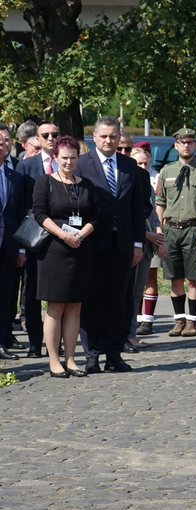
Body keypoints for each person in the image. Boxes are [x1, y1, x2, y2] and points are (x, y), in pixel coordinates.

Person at [75, 116, 146, 374]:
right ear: (94, 137)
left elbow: (137, 208)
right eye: (103, 136)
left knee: (118, 301)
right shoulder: (82, 164)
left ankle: (114, 354)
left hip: (122, 244)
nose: (108, 141)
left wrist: (138, 243)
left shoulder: (129, 165)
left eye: (113, 136)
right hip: (92, 244)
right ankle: (92, 354)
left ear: (119, 138)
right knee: (92, 300)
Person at [31, 136, 98, 377]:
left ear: (78, 158)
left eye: (73, 157)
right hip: (54, 251)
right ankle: (54, 361)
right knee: (56, 306)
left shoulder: (86, 185)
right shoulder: (45, 182)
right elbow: (39, 213)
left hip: (81, 250)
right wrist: (63, 235)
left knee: (75, 308)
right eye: (64, 158)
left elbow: (95, 216)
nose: (69, 162)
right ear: (56, 158)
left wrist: (81, 234)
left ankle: (71, 360)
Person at [155, 128, 196, 337]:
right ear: (176, 145)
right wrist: (159, 228)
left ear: (195, 145)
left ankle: (192, 322)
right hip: (171, 228)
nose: (186, 146)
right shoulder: (166, 171)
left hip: (194, 229)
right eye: (182, 142)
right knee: (174, 278)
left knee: (193, 278)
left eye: (190, 142)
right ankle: (179, 319)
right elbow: (160, 202)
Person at [16, 120, 61, 359]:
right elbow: (21, 205)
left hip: (63, 238)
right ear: (37, 139)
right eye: (46, 135)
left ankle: (59, 341)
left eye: (55, 134)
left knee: (60, 293)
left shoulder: (68, 162)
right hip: (34, 239)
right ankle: (35, 342)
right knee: (32, 293)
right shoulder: (26, 166)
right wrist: (22, 247)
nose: (51, 138)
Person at [127, 147, 166, 349]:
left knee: (136, 293)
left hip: (147, 245)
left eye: (145, 163)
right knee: (126, 292)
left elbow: (153, 215)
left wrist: (159, 237)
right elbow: (127, 219)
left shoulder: (147, 185)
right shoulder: (125, 182)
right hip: (132, 243)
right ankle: (123, 334)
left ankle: (131, 333)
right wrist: (148, 235)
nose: (142, 167)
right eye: (138, 163)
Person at [0, 134, 26, 361]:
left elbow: (19, 215)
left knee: (5, 297)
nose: (1, 146)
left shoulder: (14, 177)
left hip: (8, 247)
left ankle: (1, 342)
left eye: (4, 142)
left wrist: (21, 249)